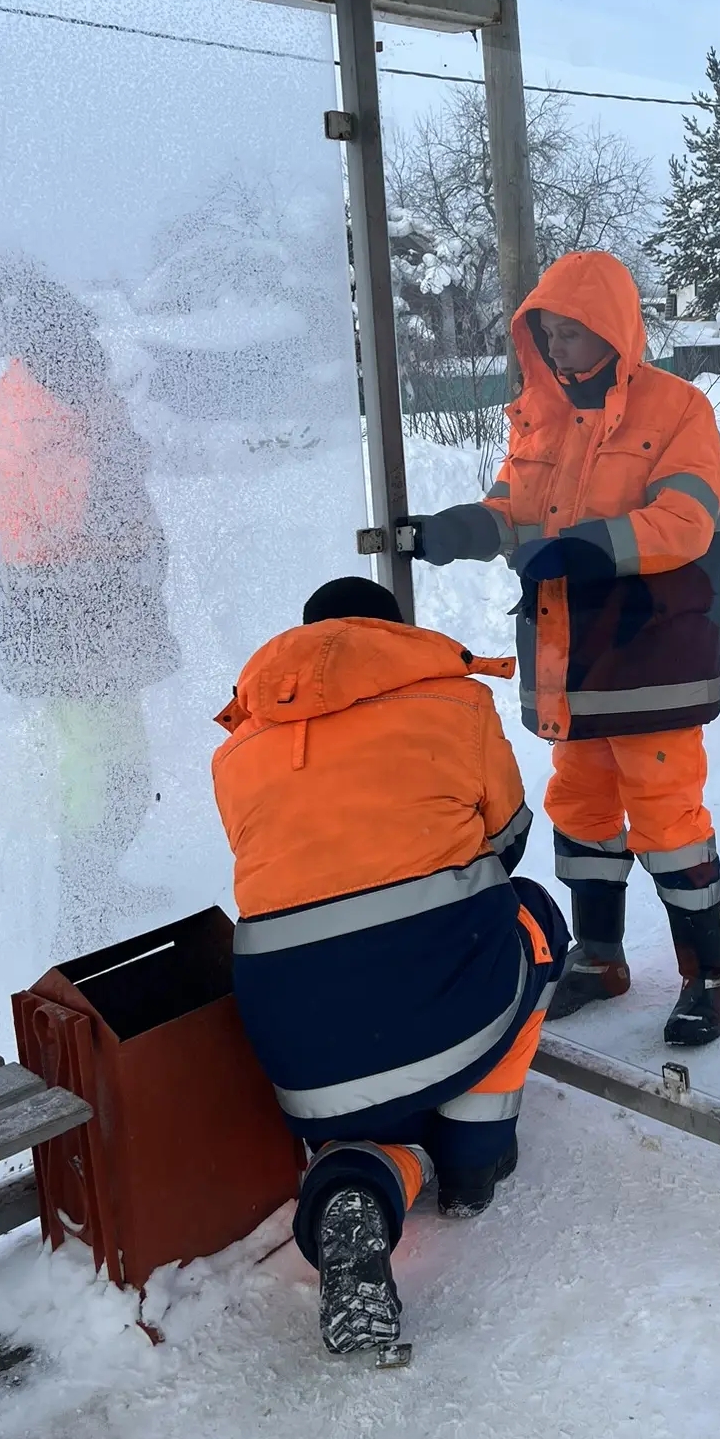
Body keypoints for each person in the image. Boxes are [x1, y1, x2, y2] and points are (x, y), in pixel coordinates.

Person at [211, 575, 568, 1356]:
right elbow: (507, 842)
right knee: (533, 918)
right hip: (441, 1003)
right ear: (396, 639)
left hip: (301, 1047)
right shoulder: (457, 702)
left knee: (375, 1134)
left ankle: (358, 1191)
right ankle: (473, 1162)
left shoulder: (237, 748)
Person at [401, 250, 720, 1046]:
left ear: (612, 331)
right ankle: (600, 957)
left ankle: (709, 978)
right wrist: (460, 530)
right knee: (581, 807)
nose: (555, 350)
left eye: (571, 334)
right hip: (569, 657)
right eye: (546, 334)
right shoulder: (539, 417)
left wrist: (585, 547)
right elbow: (511, 511)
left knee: (667, 815)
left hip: (649, 652)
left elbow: (689, 519)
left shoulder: (677, 409)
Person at [0, 257, 179, 948]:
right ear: (53, 343)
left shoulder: (60, 401)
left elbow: (109, 489)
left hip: (91, 613)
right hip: (70, 619)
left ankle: (97, 885)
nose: (92, 350)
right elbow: (70, 515)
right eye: (76, 335)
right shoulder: (41, 415)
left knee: (116, 761)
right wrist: (118, 480)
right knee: (99, 764)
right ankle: (83, 908)